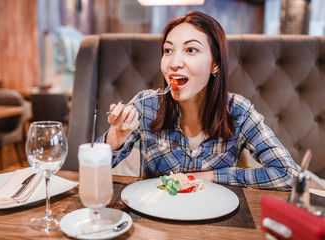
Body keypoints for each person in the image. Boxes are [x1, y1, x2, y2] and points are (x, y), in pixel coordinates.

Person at [98, 11, 299, 191]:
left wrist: (210, 177)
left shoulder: (239, 111)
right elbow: (94, 167)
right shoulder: (146, 105)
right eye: (168, 51)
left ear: (215, 64)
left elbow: (289, 174)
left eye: (191, 50)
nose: (174, 63)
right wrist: (118, 134)